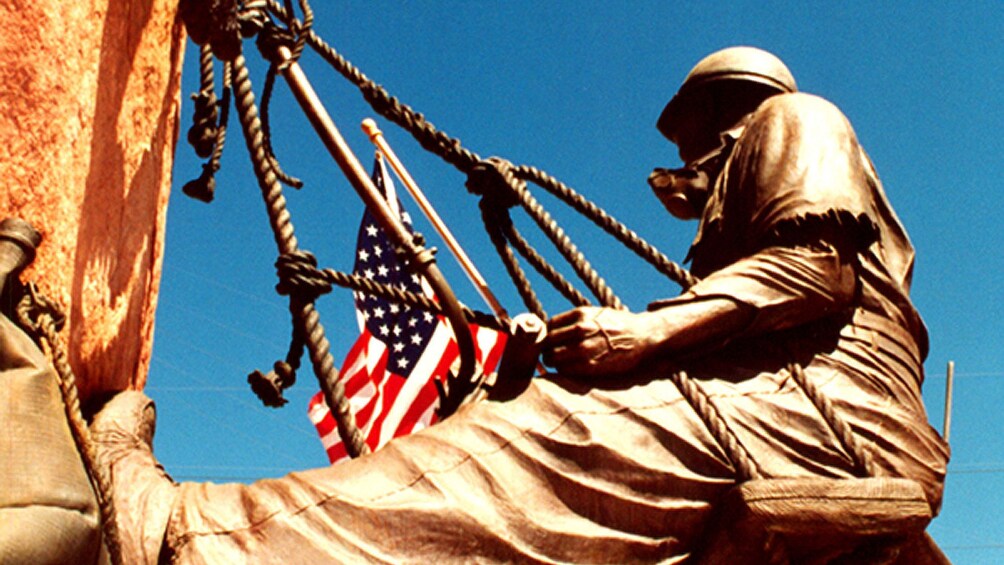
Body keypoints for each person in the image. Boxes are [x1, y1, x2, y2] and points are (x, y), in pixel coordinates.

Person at [89, 46, 948, 563]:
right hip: (780, 404)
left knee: (549, 431)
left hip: (831, 418)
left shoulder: (795, 119)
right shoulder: (736, 188)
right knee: (511, 404)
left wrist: (643, 334)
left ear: (729, 108)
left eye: (690, 132)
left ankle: (188, 538)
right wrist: (588, 340)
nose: (682, 156)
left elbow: (813, 271)